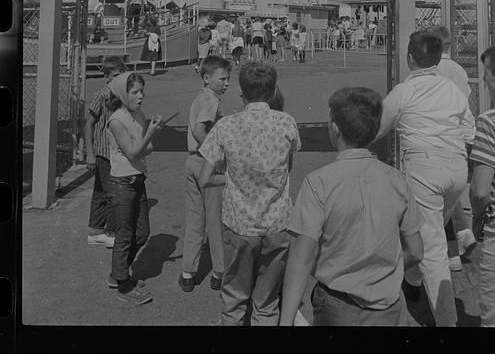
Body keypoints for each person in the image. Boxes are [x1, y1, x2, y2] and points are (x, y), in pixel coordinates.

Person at [281, 88, 423, 326]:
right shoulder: (397, 180)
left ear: (335, 128)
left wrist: (285, 320)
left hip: (338, 304)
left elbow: (300, 259)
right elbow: (416, 251)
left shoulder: (318, 183)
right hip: (387, 304)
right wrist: (382, 269)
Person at [374, 30, 474, 327]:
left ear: (409, 58)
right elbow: (469, 132)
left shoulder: (404, 91)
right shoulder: (452, 90)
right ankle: (413, 280)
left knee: (431, 248)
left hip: (423, 169)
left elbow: (377, 129)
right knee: (425, 230)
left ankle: (447, 322)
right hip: (456, 169)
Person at [198, 62, 301, 326]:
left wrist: (231, 178)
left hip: (239, 223)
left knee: (234, 297)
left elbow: (205, 178)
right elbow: (287, 168)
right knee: (267, 301)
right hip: (277, 223)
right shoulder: (286, 122)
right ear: (273, 89)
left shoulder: (226, 126)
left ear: (242, 91)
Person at [106, 72, 165, 305]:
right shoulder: (117, 120)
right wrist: (149, 133)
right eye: (135, 92)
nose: (141, 96)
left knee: (142, 233)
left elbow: (146, 148)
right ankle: (123, 285)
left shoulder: (138, 115)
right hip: (123, 182)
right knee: (125, 234)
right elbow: (132, 152)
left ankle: (118, 273)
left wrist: (152, 132)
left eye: (142, 91)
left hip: (138, 178)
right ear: (123, 94)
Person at [426, 25, 478, 271]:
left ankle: (450, 252)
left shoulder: (431, 71)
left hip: (438, 138)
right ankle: (464, 232)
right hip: (460, 137)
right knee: (449, 192)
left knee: (436, 197)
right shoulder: (457, 69)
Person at [180, 56, 232, 294]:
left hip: (191, 161)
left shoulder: (200, 98)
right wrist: (215, 156)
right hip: (205, 163)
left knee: (194, 220)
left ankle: (188, 272)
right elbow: (201, 129)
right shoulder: (210, 100)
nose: (227, 83)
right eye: (222, 78)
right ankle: (219, 272)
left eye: (228, 78)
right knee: (214, 221)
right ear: (206, 78)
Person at [470, 43, 495, 327]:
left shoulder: (490, 121)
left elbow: (480, 190)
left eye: (488, 77)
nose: (485, 83)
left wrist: (477, 220)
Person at [85, 56, 125, 248]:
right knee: (112, 193)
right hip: (103, 152)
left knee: (101, 191)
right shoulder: (101, 95)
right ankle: (111, 232)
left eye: (122, 75)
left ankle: (95, 230)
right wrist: (90, 153)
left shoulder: (122, 95)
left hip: (116, 151)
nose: (120, 79)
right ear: (107, 76)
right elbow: (89, 124)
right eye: (116, 75)